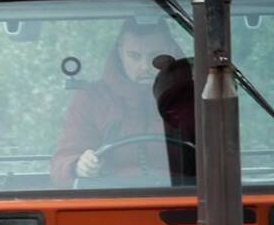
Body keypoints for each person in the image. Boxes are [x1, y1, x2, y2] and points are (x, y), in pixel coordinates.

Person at [51, 19, 182, 187]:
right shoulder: (92, 99)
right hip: (112, 202)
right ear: (120, 53)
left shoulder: (195, 97)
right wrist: (78, 165)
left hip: (188, 199)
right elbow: (61, 162)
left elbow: (221, 154)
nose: (144, 66)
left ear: (171, 53)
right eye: (134, 56)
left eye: (156, 57)